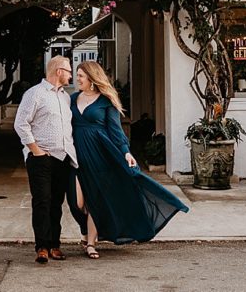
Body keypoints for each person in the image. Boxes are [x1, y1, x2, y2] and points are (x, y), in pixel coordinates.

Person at [68, 60, 189, 259]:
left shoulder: (106, 100)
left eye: (80, 75)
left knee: (96, 200)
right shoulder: (72, 99)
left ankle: (90, 243)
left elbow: (115, 131)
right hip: (77, 157)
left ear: (91, 77)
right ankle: (87, 230)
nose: (77, 78)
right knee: (77, 203)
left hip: (101, 156)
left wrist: (126, 152)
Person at [13, 55, 77, 264]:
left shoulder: (65, 97)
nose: (71, 74)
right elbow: (21, 123)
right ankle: (41, 247)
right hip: (41, 158)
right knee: (42, 201)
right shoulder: (35, 94)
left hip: (62, 158)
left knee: (57, 203)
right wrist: (35, 150)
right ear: (58, 71)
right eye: (68, 70)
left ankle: (54, 245)